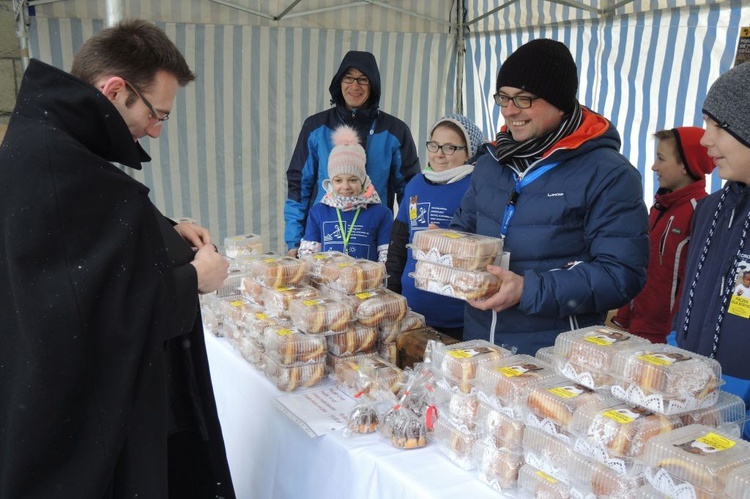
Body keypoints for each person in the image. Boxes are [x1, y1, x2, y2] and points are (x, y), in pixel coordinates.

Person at [0, 20, 235, 498]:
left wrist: (164, 228)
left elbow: (81, 245)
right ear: (114, 90)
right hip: (78, 448)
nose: (155, 131)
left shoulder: (44, 141)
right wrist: (194, 279)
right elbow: (88, 316)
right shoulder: (59, 165)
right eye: (157, 114)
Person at [450, 38, 649, 355]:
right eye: (503, 97)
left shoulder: (608, 173)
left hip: (553, 360)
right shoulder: (491, 162)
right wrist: (445, 247)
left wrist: (527, 290)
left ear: (560, 103)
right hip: (479, 348)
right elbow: (465, 228)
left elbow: (620, 274)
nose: (509, 110)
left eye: (524, 99)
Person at [673, 61, 750, 438]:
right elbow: (691, 297)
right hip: (693, 405)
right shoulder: (710, 209)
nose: (705, 141)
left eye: (718, 127)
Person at [284, 50, 420, 257]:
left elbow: (410, 191)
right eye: (348, 78)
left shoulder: (395, 130)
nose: (355, 86)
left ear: (373, 85)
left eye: (363, 79)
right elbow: (298, 184)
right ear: (339, 82)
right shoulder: (316, 127)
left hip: (375, 241)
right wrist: (294, 241)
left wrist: (409, 242)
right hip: (323, 240)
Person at [386, 114, 486, 340]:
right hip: (412, 309)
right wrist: (392, 291)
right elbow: (399, 242)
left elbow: (483, 250)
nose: (439, 154)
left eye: (450, 147)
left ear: (468, 152)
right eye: (434, 145)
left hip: (458, 314)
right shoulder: (415, 183)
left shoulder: (475, 186)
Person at [611, 127, 714, 343]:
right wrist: (623, 316)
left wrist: (675, 338)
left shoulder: (701, 212)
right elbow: (641, 264)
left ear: (685, 165)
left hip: (665, 340)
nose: (653, 166)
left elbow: (694, 283)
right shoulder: (660, 206)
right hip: (637, 329)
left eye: (661, 159)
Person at [298, 125, 393, 262]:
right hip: (328, 282)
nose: (345, 187)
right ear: (331, 181)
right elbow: (308, 256)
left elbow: (386, 256)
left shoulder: (381, 213)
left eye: (353, 179)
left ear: (363, 180)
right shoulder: (318, 212)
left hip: (368, 282)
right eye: (338, 180)